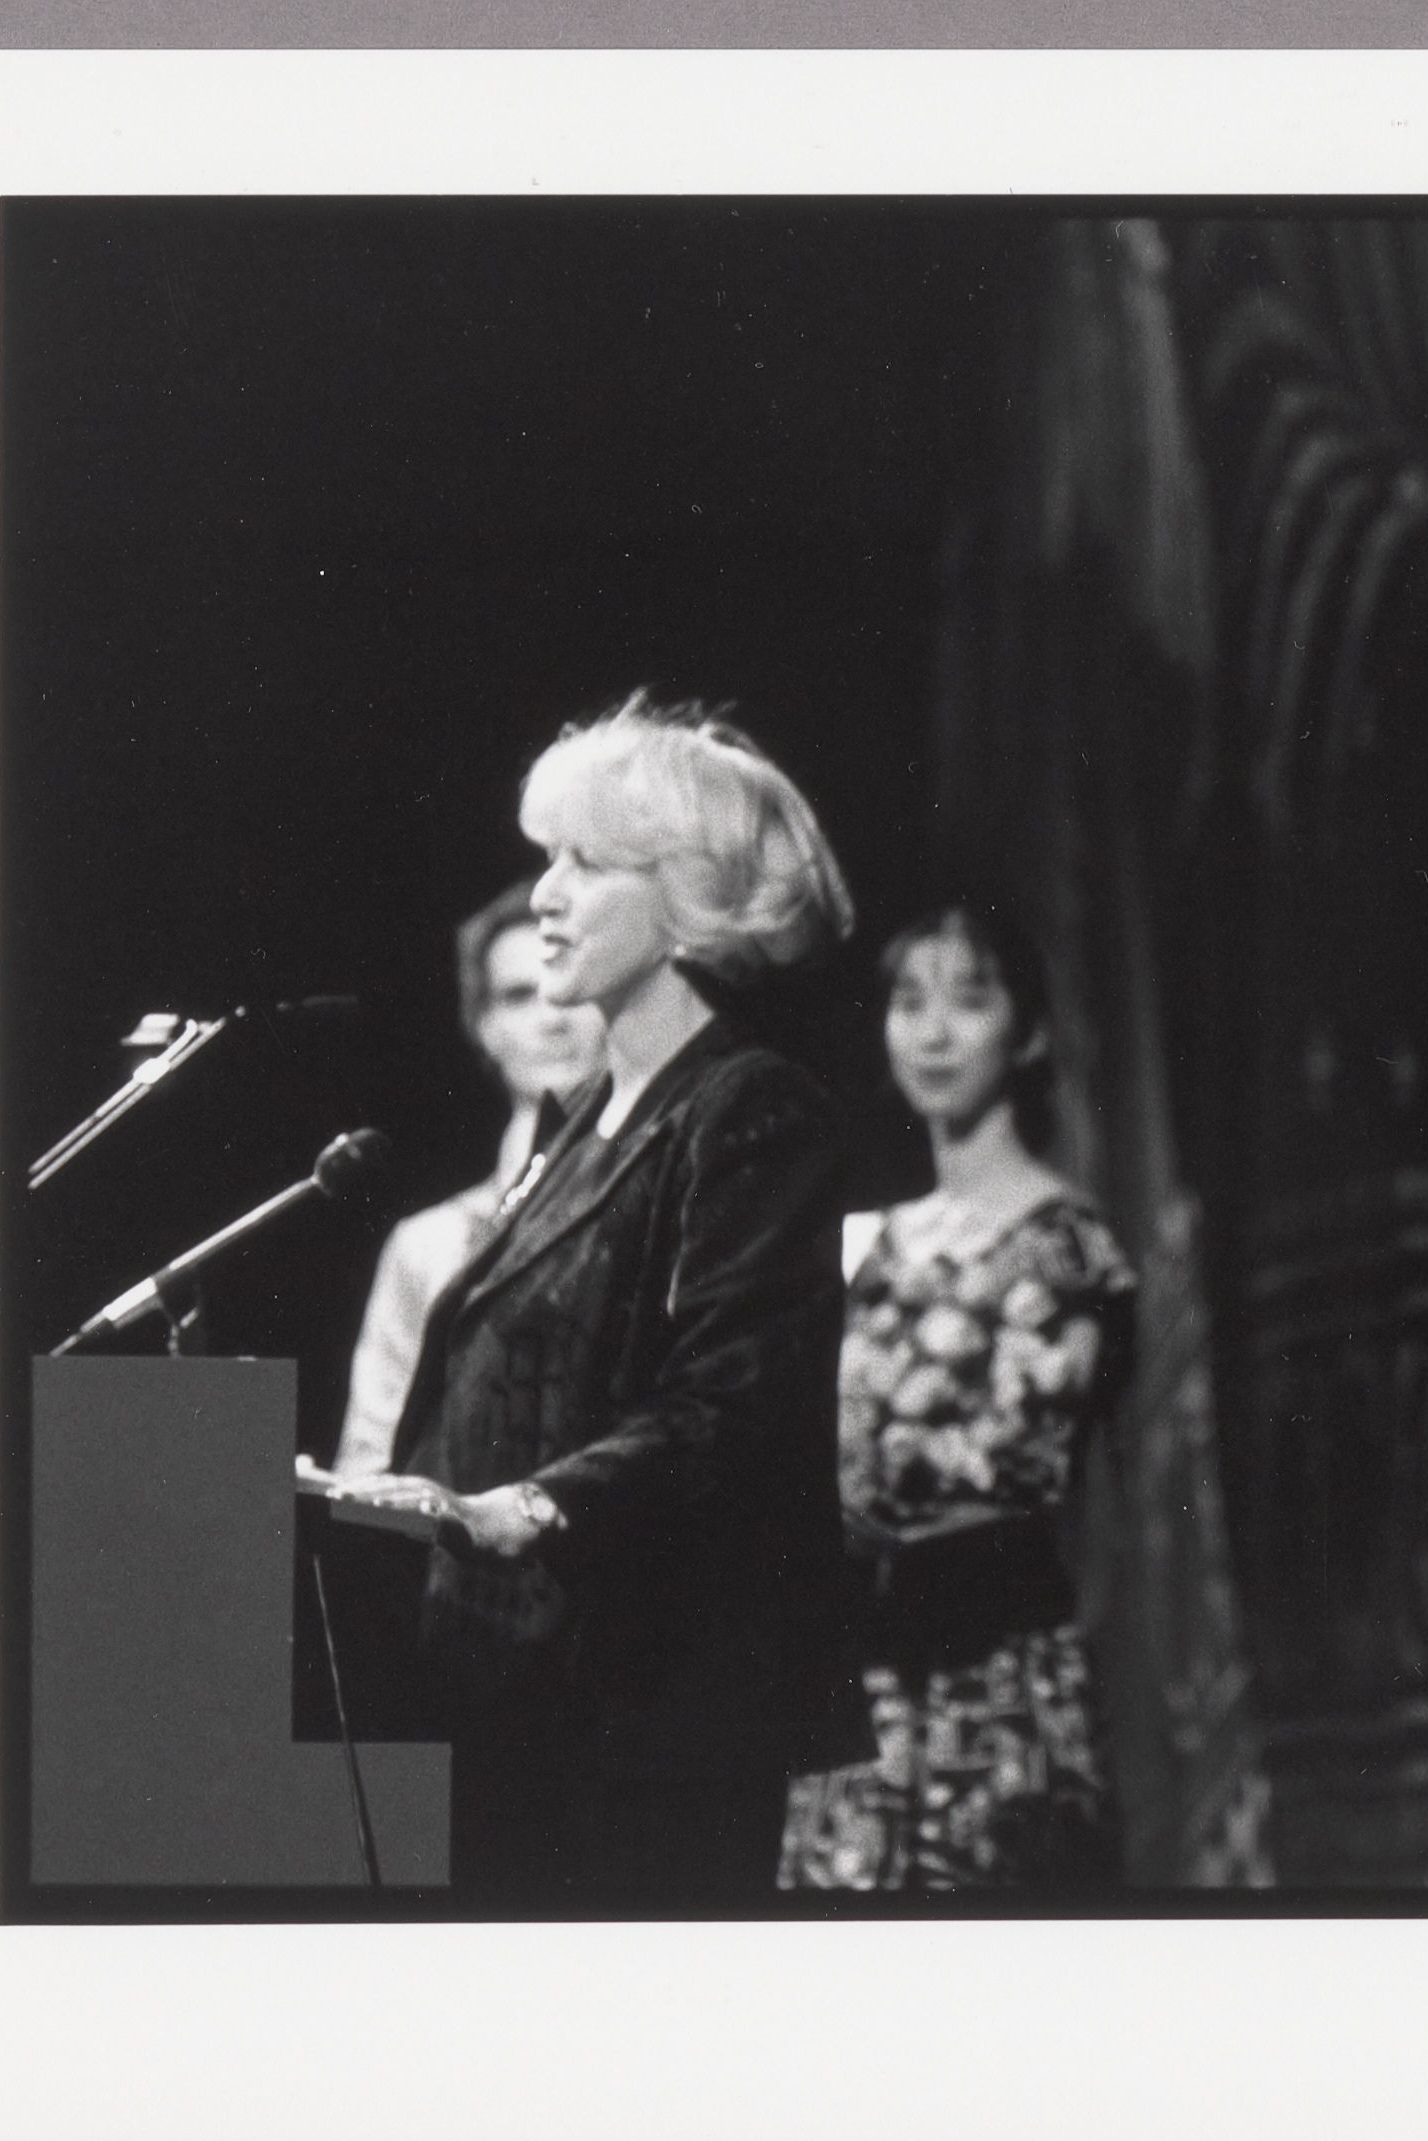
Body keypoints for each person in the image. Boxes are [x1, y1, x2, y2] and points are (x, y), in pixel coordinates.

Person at [340, 692, 865, 1912]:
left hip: (649, 1709)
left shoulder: (747, 1107)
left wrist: (530, 1505)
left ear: (683, 896)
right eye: (546, 861)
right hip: (513, 1692)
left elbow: (734, 1400)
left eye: (587, 862)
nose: (546, 895)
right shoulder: (582, 1126)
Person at [778, 904, 1135, 1890]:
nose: (932, 1033)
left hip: (994, 1679)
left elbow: (1016, 1464)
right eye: (908, 1001)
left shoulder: (1065, 1243)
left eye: (968, 1001)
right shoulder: (872, 1241)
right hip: (864, 1684)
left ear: (1026, 1033)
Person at [325, 878, 604, 1482]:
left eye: (567, 989)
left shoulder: (678, 1191)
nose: (551, 1018)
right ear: (484, 1027)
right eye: (520, 995)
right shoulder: (426, 1245)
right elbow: (370, 1461)